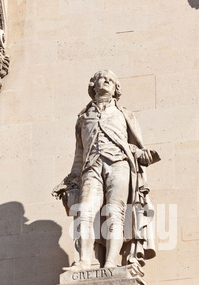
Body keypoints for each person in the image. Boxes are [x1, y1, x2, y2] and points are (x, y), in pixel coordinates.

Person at [53, 70, 160, 272]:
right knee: (84, 211)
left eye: (111, 80)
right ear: (93, 85)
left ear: (116, 89)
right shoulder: (83, 118)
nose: (106, 81)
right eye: (102, 78)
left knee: (114, 213)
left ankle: (111, 263)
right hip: (91, 167)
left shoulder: (124, 114)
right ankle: (84, 261)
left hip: (119, 165)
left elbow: (132, 145)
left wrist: (141, 154)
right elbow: (79, 153)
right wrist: (71, 180)